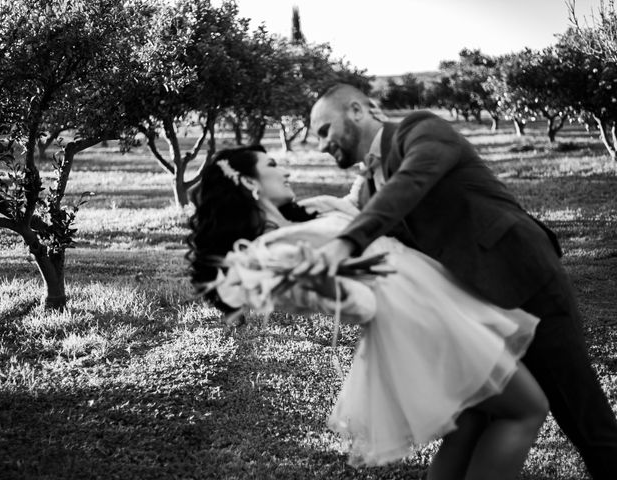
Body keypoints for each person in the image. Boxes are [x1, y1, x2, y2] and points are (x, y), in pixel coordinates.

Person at [300, 83, 617, 479]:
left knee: (585, 419)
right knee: (474, 421)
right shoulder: (369, 184)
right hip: (475, 312)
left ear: (357, 111)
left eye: (325, 130)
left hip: (525, 283)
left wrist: (348, 240)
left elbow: (412, 181)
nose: (322, 145)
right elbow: (356, 213)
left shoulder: (421, 129)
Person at [188, 145, 548, 480]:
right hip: (418, 319)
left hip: (431, 299)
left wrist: (368, 169)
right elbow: (362, 307)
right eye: (272, 165)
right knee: (525, 411)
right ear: (250, 182)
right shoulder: (275, 252)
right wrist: (332, 288)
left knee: (473, 419)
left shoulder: (308, 212)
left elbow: (355, 210)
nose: (286, 172)